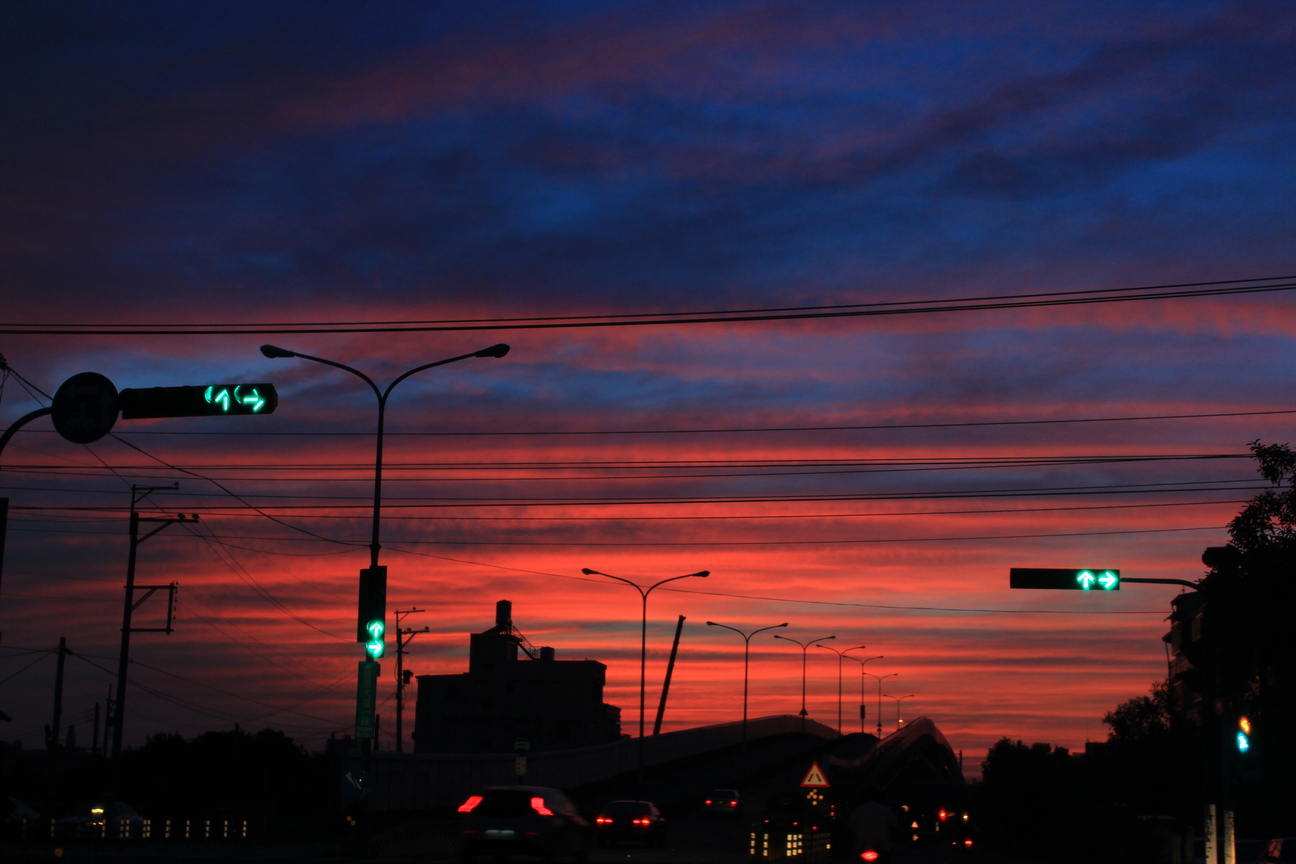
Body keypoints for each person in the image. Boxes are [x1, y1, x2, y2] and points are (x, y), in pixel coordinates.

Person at [847, 784, 897, 859]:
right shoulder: (886, 810)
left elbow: (849, 829)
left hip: (861, 846)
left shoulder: (857, 811)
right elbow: (894, 828)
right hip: (883, 847)